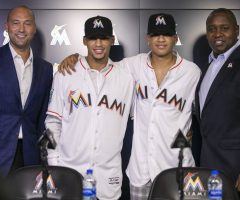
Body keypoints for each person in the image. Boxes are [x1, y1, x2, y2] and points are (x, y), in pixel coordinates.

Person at [58, 13, 201, 199]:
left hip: (180, 166)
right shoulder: (131, 66)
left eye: (166, 34)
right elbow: (99, 63)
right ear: (147, 38)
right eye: (155, 34)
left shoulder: (192, 72)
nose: (160, 39)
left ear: (175, 38)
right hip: (140, 171)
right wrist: (76, 57)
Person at [45, 15, 134, 200]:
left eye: (104, 38)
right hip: (70, 170)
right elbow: (53, 122)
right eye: (93, 38)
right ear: (84, 41)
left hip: (108, 176)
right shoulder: (66, 73)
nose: (98, 44)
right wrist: (54, 163)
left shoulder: (126, 78)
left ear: (112, 40)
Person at [192, 8, 240, 199]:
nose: (217, 34)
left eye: (224, 28)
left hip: (237, 171)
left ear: (236, 30)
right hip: (208, 165)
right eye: (212, 29)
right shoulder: (209, 64)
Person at [0, 5, 53, 176]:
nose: (21, 29)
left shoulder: (45, 69)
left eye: (27, 23)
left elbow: (43, 117)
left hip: (30, 157)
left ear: (34, 28)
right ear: (6, 27)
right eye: (16, 23)